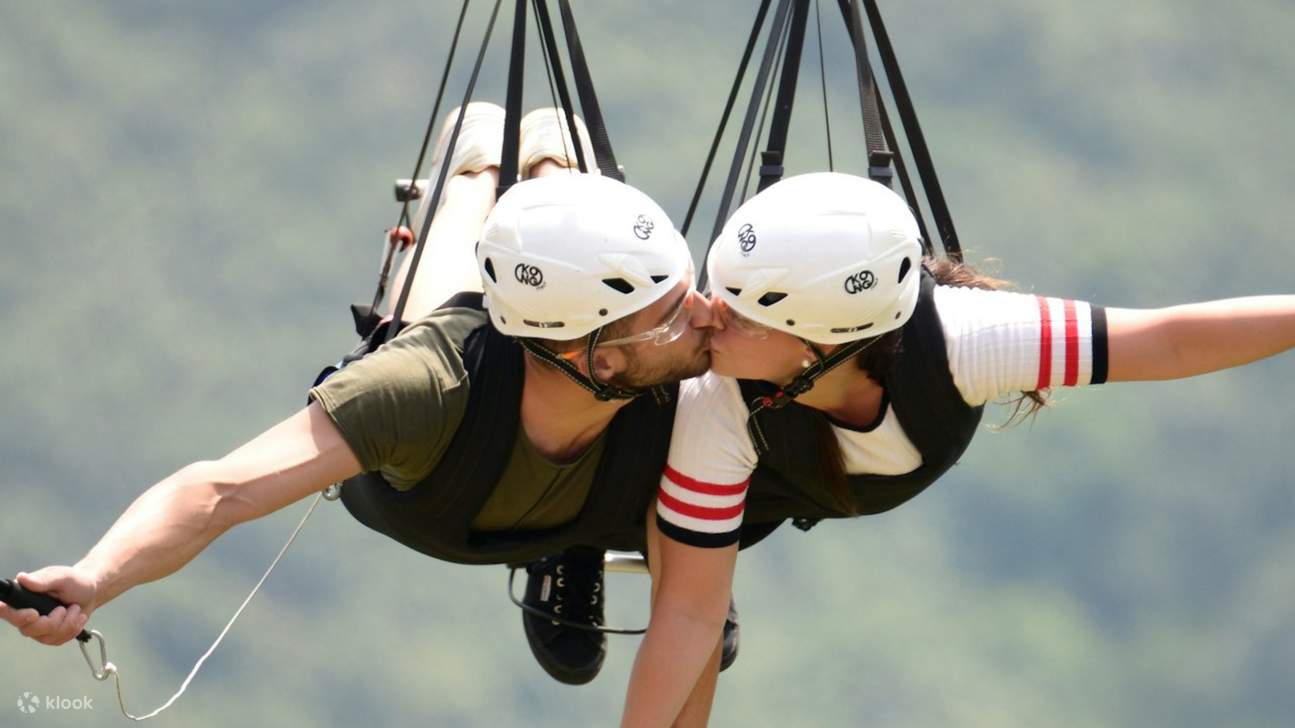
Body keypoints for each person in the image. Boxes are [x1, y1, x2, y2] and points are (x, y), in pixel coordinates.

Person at [0, 104, 714, 691]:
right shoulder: (422, 388)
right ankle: (475, 170)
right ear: (600, 358)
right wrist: (96, 576)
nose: (708, 314)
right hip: (438, 486)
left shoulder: (700, 379)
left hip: (580, 479)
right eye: (675, 314)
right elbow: (219, 492)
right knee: (429, 324)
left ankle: (557, 159)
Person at [619, 172, 1295, 726]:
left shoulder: (961, 340)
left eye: (738, 314)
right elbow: (688, 614)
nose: (704, 313)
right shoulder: (714, 399)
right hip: (723, 487)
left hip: (810, 470)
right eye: (718, 293)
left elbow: (1166, 341)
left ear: (817, 344)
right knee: (677, 568)